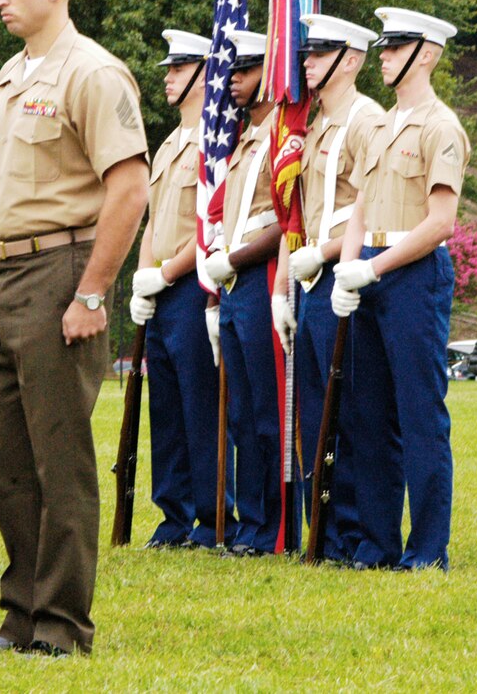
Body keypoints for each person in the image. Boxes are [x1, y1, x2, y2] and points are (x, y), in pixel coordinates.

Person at [0, 0, 148, 657]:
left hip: (60, 271)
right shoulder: (12, 75)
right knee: (10, 464)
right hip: (4, 271)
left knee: (59, 460)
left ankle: (62, 627)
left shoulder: (92, 73)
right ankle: (20, 617)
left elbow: (129, 189)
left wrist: (92, 292)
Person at [332, 8, 469, 571]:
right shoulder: (379, 127)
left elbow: (441, 223)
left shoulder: (441, 128)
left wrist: (374, 268)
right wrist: (347, 267)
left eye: (396, 47)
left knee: (419, 415)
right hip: (369, 267)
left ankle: (427, 549)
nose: (384, 56)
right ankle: (377, 543)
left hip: (413, 273)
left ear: (426, 54)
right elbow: (360, 208)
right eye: (385, 47)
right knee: (368, 416)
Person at [270, 14, 383, 563]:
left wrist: (328, 254)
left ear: (352, 60)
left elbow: (371, 205)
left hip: (345, 275)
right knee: (315, 414)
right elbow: (297, 214)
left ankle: (358, 533)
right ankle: (328, 533)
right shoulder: (313, 126)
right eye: (307, 54)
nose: (308, 63)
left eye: (319, 54)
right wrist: (282, 288)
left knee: (353, 410)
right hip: (310, 281)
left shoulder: (367, 121)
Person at [129, 29, 236, 550]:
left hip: (194, 286)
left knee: (201, 406)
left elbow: (211, 228)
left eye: (178, 69)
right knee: (166, 409)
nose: (168, 78)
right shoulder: (170, 144)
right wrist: (142, 277)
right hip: (162, 290)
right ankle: (172, 517)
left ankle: (213, 518)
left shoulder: (217, 144)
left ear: (204, 74)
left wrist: (167, 273)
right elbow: (153, 221)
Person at [203, 29, 286, 557]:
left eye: (246, 69)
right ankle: (252, 524)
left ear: (270, 73)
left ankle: (275, 528)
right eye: (232, 70)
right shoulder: (243, 138)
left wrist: (231, 263)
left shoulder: (281, 135)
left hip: (260, 276)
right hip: (234, 284)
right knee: (241, 413)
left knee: (267, 411)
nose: (233, 79)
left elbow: (285, 220)